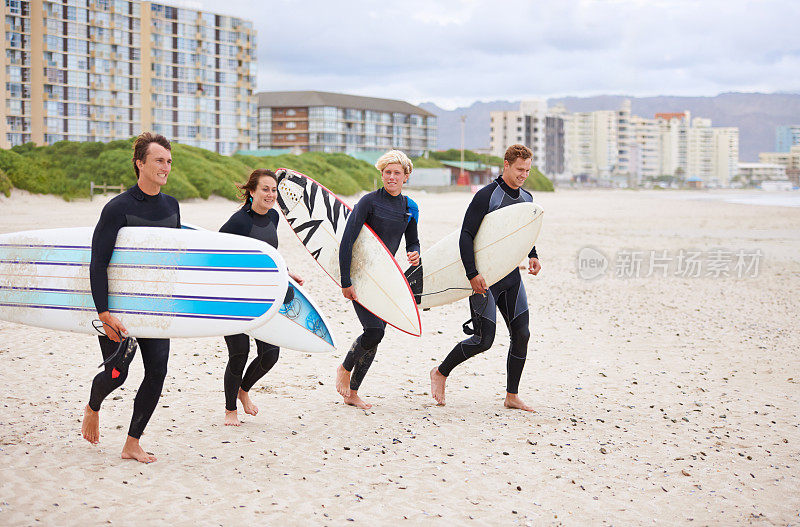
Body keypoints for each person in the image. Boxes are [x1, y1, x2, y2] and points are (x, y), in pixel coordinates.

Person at [81, 132, 180, 463]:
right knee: (117, 373)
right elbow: (98, 263)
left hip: (154, 307)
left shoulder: (171, 206)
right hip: (118, 309)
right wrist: (104, 313)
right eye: (158, 160)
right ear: (140, 163)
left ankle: (132, 443)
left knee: (158, 371)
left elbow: (174, 257)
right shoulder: (117, 208)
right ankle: (94, 406)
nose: (165, 166)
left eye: (168, 161)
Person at [430, 144, 542, 411]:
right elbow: (466, 235)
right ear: (506, 164)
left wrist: (533, 255)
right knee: (483, 340)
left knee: (522, 334)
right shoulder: (486, 196)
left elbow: (523, 235)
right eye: (519, 169)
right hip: (484, 279)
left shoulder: (526, 198)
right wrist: (472, 274)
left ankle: (511, 395)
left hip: (511, 276)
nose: (523, 175)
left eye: (527, 170)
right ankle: (441, 372)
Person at [335, 150, 420, 409]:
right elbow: (347, 240)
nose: (392, 177)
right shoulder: (368, 202)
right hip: (361, 275)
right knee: (372, 330)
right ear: (381, 174)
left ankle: (353, 392)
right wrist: (345, 280)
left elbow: (412, 239)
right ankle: (344, 369)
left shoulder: (409, 207)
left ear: (406, 176)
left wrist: (414, 252)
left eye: (397, 173)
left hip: (385, 278)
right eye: (387, 172)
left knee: (378, 334)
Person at [219, 169, 304, 426]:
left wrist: (286, 273)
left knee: (270, 354)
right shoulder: (238, 222)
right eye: (265, 189)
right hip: (234, 299)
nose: (270, 194)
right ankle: (230, 409)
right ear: (252, 191)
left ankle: (243, 390)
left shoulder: (274, 217)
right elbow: (216, 253)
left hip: (264, 296)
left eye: (274, 190)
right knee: (239, 353)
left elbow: (269, 256)